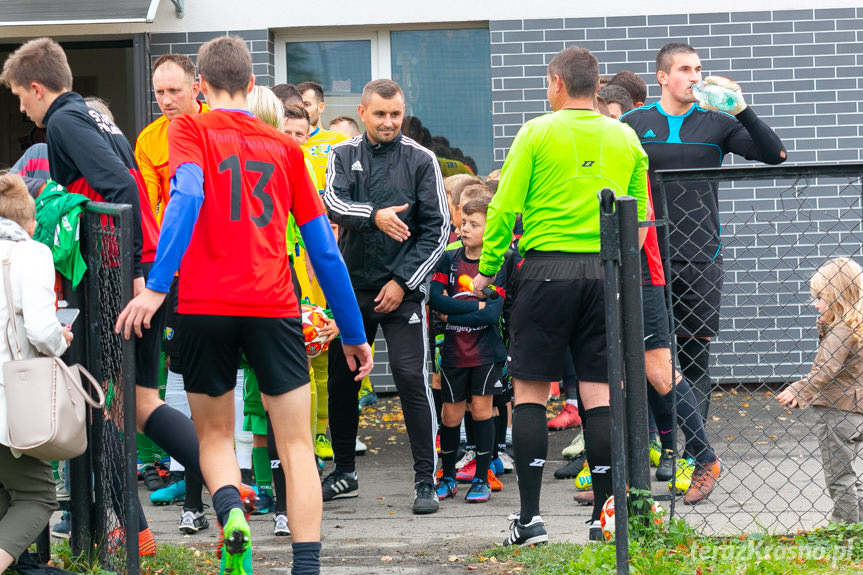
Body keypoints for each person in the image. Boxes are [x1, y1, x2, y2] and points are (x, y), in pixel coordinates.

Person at [116, 36, 373, 575]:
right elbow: (324, 248)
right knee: (297, 444)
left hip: (204, 305)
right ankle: (306, 566)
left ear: (201, 89)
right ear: (254, 86)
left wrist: (158, 284)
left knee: (213, 434)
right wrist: (353, 333)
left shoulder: (187, 128)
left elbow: (185, 195)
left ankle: (231, 510)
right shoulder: (285, 147)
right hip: (273, 305)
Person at [1, 37, 187, 556]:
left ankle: (191, 500)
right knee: (132, 403)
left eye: (20, 96)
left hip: (118, 278)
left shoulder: (62, 120)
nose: (21, 107)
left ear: (38, 88)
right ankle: (160, 517)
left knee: (108, 402)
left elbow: (120, 191)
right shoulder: (91, 115)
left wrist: (128, 273)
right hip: (138, 268)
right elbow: (123, 182)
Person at [471, 46, 649, 544]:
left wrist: (487, 272)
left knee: (529, 392)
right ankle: (605, 522)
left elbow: (504, 206)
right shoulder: (625, 135)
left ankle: (529, 522)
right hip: (603, 275)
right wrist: (616, 272)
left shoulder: (536, 131)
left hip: (545, 271)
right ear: (596, 87)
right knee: (599, 396)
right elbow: (637, 220)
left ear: (555, 82)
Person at [620, 43, 786, 421]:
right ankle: (661, 448)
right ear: (662, 76)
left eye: (697, 69)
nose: (694, 77)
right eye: (684, 69)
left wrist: (740, 108)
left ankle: (694, 453)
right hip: (647, 258)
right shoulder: (633, 122)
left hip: (700, 257)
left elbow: (776, 154)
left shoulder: (718, 123)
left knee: (695, 360)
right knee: (650, 361)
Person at [323, 78, 449, 514]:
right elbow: (333, 204)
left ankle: (424, 481)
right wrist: (374, 216)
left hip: (404, 291)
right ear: (362, 112)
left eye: (395, 114)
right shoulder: (340, 155)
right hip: (352, 288)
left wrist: (403, 282)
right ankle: (344, 472)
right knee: (343, 379)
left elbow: (439, 229)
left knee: (411, 378)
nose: (389, 122)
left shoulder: (422, 159)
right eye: (380, 114)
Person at [133, 51, 212, 533]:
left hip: (220, 272)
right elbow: (151, 212)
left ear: (196, 87)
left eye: (174, 91)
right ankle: (193, 498)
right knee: (181, 383)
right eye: (159, 92)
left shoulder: (215, 128)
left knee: (226, 389)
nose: (166, 100)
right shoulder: (149, 140)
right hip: (176, 277)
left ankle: (254, 490)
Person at [0, 173, 72, 575]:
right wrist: (62, 338)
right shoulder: (32, 253)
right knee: (39, 495)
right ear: (28, 220)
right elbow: (42, 331)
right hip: (9, 398)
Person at [431, 196, 507, 504]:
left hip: (486, 353)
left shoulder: (497, 263)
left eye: (474, 225)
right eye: (463, 223)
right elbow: (436, 301)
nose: (465, 229)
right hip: (453, 351)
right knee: (450, 414)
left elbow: (492, 314)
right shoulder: (447, 260)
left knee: (481, 411)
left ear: (488, 231)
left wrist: (457, 311)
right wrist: (472, 305)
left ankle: (481, 479)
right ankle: (447, 476)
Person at [777, 257, 863, 524]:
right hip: (856, 409)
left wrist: (799, 390)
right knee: (851, 478)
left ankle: (846, 532)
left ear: (837, 298)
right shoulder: (858, 326)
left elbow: (826, 368)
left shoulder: (842, 330)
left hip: (838, 411)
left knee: (840, 478)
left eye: (820, 298)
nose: (815, 304)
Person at [298, 81, 347, 193]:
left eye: (307, 104)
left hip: (334, 209)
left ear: (321, 107)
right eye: (299, 106)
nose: (302, 110)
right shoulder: (292, 142)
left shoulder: (339, 139)